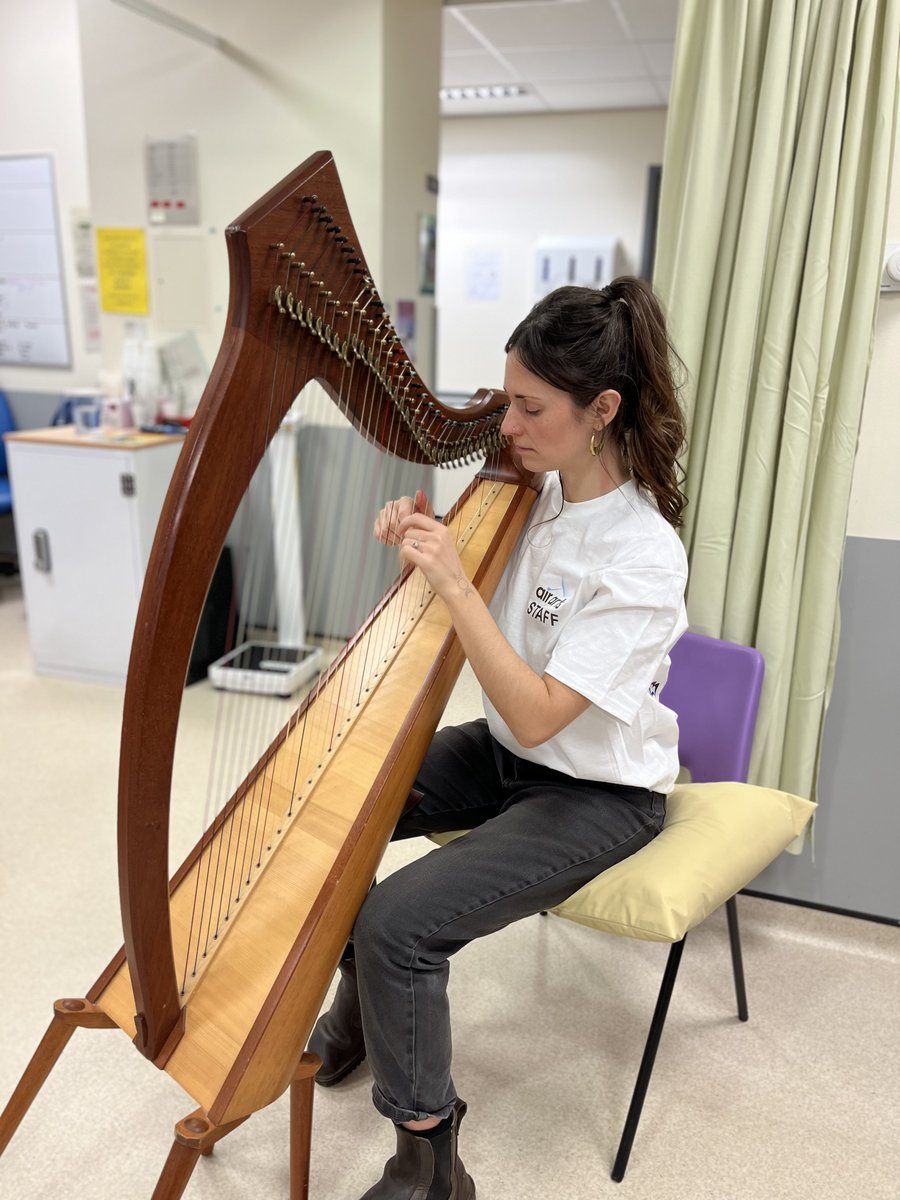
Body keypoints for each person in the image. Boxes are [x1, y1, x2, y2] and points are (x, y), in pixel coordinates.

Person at [309, 277, 689, 1200]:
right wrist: (425, 538)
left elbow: (535, 712)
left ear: (600, 410)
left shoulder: (642, 553)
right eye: (506, 398)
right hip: (517, 760)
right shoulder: (534, 496)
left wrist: (455, 584)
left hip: (597, 793)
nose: (505, 424)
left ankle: (429, 1161)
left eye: (529, 406)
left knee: (400, 922)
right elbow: (485, 617)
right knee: (338, 795)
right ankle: (361, 1014)